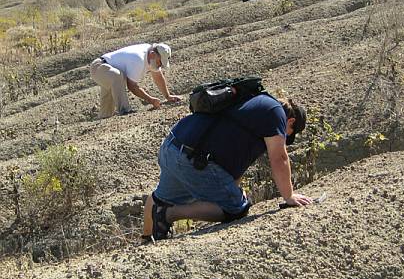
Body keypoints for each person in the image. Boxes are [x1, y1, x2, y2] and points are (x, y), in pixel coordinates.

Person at [142, 94, 313, 241]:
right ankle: (169, 214)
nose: (284, 137)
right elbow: (279, 158)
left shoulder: (253, 102)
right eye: (289, 133)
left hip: (171, 146)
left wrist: (230, 191)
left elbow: (234, 169)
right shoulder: (275, 115)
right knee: (237, 209)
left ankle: (147, 240)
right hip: (192, 159)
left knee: (159, 198)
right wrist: (289, 196)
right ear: (290, 121)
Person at [89, 43, 182, 119]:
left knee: (106, 113)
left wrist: (167, 96)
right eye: (160, 62)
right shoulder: (138, 59)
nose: (160, 65)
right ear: (153, 54)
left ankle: (102, 120)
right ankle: (125, 111)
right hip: (99, 67)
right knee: (117, 76)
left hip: (110, 72)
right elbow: (132, 86)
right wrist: (151, 100)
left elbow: (158, 77)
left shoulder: (151, 56)